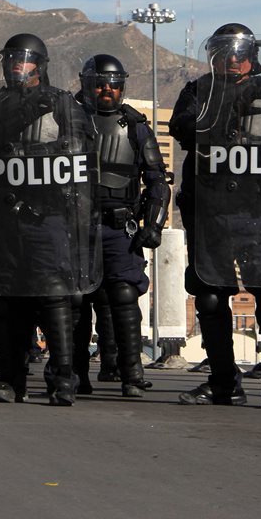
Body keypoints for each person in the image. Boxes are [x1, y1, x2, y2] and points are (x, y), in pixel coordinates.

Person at [170, 23, 261, 409]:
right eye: (224, 51)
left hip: (258, 208)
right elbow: (179, 126)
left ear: (251, 57)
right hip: (210, 208)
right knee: (210, 298)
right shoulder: (197, 91)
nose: (231, 58)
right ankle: (223, 381)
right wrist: (213, 114)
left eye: (239, 52)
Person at [0, 33, 98, 405]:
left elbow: (81, 154)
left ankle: (62, 381)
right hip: (6, 217)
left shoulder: (62, 104)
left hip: (48, 214)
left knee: (55, 298)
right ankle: (11, 379)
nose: (14, 66)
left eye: (22, 60)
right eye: (9, 59)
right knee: (9, 299)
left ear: (39, 65)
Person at [75, 54, 169, 397]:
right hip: (77, 227)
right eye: (100, 83)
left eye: (114, 84)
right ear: (86, 83)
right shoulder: (66, 122)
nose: (106, 90)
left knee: (125, 296)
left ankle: (132, 373)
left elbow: (158, 180)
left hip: (120, 225)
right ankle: (75, 374)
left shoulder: (136, 126)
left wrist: (154, 225)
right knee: (75, 300)